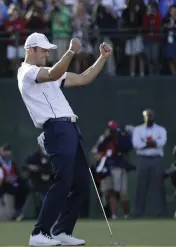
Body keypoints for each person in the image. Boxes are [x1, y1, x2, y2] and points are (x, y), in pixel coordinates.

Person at [17, 32, 112, 246]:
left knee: (81, 182)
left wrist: (102, 58)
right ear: (30, 50)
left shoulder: (50, 72)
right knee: (63, 181)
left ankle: (61, 230)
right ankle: (39, 233)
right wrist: (70, 52)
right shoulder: (27, 72)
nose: (46, 53)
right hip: (56, 129)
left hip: (69, 127)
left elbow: (83, 78)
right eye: (43, 50)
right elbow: (51, 74)